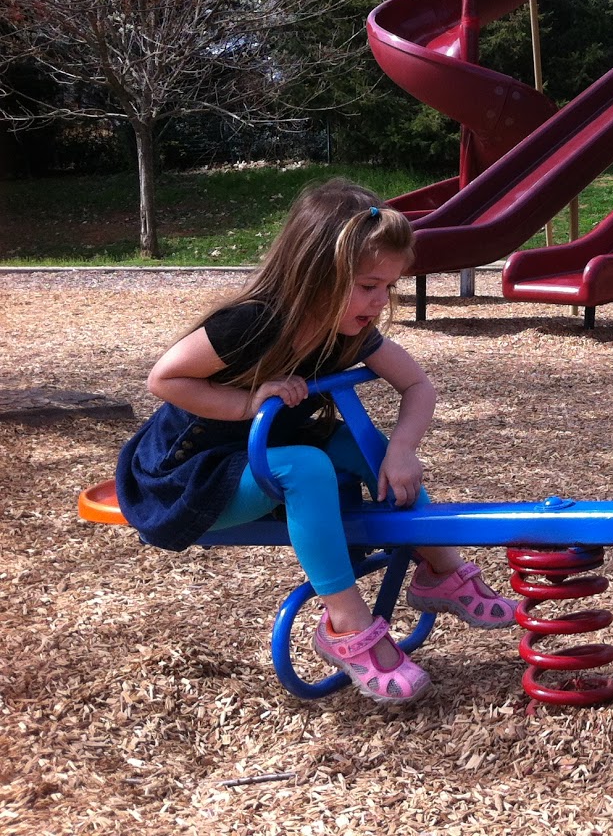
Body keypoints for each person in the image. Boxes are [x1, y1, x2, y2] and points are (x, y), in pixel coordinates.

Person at [115, 178, 514, 703]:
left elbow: (417, 384)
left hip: (258, 456)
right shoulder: (250, 325)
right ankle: (347, 626)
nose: (380, 301)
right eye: (369, 285)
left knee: (360, 446)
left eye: (388, 288)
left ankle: (441, 569)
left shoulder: (348, 329)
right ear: (317, 276)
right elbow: (164, 379)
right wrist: (248, 401)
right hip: (189, 475)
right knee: (306, 465)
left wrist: (401, 451)